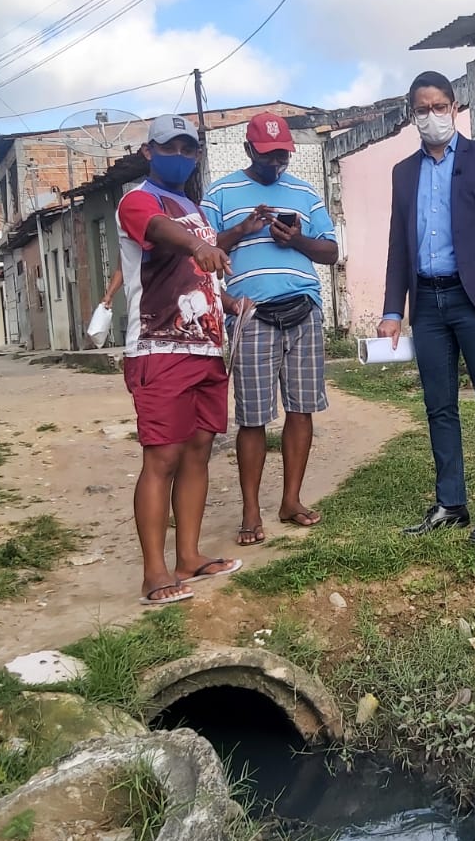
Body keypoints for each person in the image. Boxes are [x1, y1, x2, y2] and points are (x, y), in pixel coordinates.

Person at [378, 71, 475, 544]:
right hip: (427, 303)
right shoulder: (404, 173)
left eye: (440, 107)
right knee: (439, 406)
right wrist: (392, 311)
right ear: (412, 115)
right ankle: (451, 503)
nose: (432, 116)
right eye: (423, 109)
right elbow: (399, 245)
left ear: (455, 108)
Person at [117, 114, 242, 606]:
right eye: (171, 147)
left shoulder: (194, 208)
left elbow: (196, 271)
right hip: (159, 345)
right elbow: (162, 233)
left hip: (206, 347)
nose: (181, 157)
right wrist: (198, 243)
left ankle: (188, 556)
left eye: (189, 149)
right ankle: (154, 573)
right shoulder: (138, 200)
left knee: (197, 452)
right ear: (149, 151)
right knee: (162, 457)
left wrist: (228, 302)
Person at [201, 112, 340, 547]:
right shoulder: (221, 192)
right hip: (251, 314)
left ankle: (290, 501)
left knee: (302, 410)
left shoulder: (304, 192)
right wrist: (243, 230)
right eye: (267, 156)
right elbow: (199, 249)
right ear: (248, 150)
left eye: (282, 156)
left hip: (303, 309)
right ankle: (250, 511)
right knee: (253, 417)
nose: (276, 164)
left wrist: (295, 240)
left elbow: (331, 252)